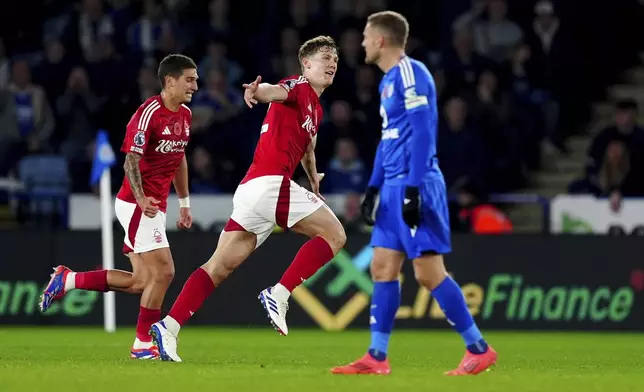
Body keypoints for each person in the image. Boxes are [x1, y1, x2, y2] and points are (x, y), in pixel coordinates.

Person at [149, 35, 346, 362]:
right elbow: (274, 91)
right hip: (270, 184)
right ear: (306, 64)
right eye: (325, 57)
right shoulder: (296, 85)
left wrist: (313, 177)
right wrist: (257, 91)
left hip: (253, 191)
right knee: (335, 234)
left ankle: (168, 328)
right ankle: (279, 293)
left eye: (335, 59)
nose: (332, 63)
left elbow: (308, 146)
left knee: (217, 267)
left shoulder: (316, 106)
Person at [331, 11, 497, 376]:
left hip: (414, 182)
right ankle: (377, 356)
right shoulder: (387, 81)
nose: (360, 43)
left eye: (364, 37)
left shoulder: (411, 73)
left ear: (380, 40)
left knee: (427, 273)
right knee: (382, 267)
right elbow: (388, 138)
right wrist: (374, 187)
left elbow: (423, 134)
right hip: (391, 184)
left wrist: (412, 189)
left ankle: (479, 349)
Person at [39, 54, 198, 360]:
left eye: (195, 79)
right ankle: (142, 345)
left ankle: (68, 279)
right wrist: (140, 199)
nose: (194, 85)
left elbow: (179, 158)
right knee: (164, 273)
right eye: (189, 79)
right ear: (170, 81)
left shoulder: (185, 115)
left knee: (142, 282)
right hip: (138, 204)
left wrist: (185, 202)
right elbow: (130, 161)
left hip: (156, 205)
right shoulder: (148, 113)